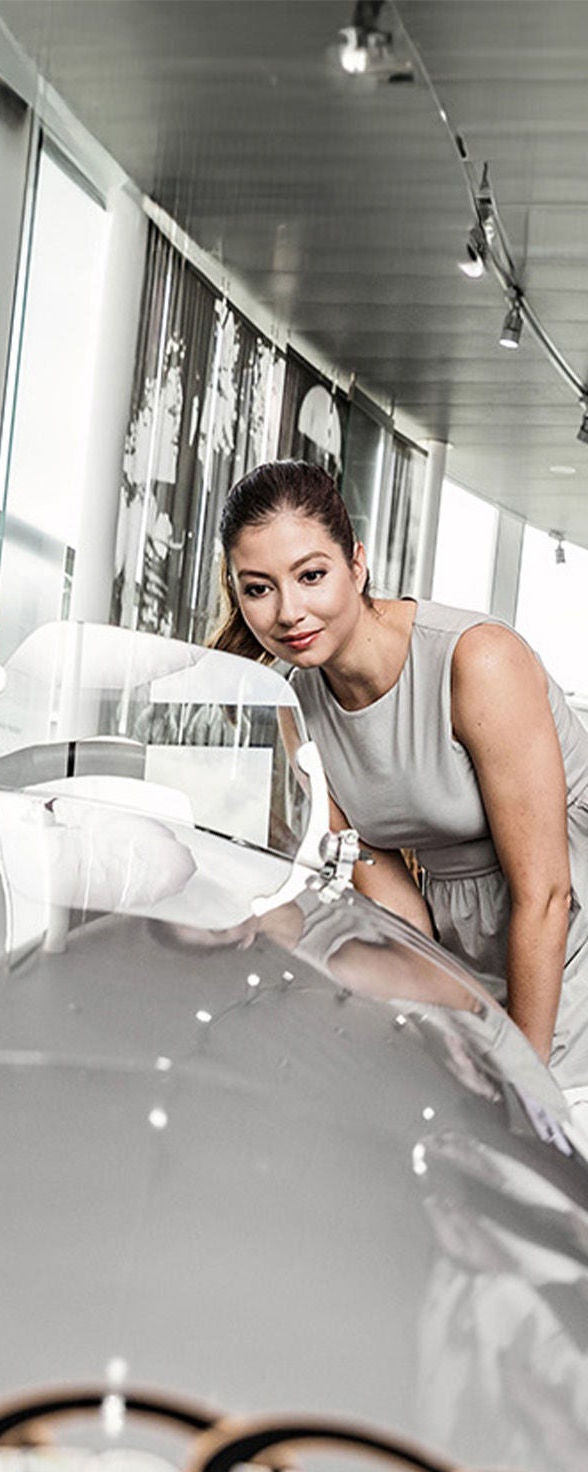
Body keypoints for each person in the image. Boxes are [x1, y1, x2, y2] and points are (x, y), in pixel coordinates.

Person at [208, 458, 588, 1095]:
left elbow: (546, 896)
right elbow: (398, 910)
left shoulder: (479, 661)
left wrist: (523, 1077)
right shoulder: (297, 708)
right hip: (470, 949)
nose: (290, 611)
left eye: (311, 575)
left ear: (356, 564)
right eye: (259, 588)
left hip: (567, 936)